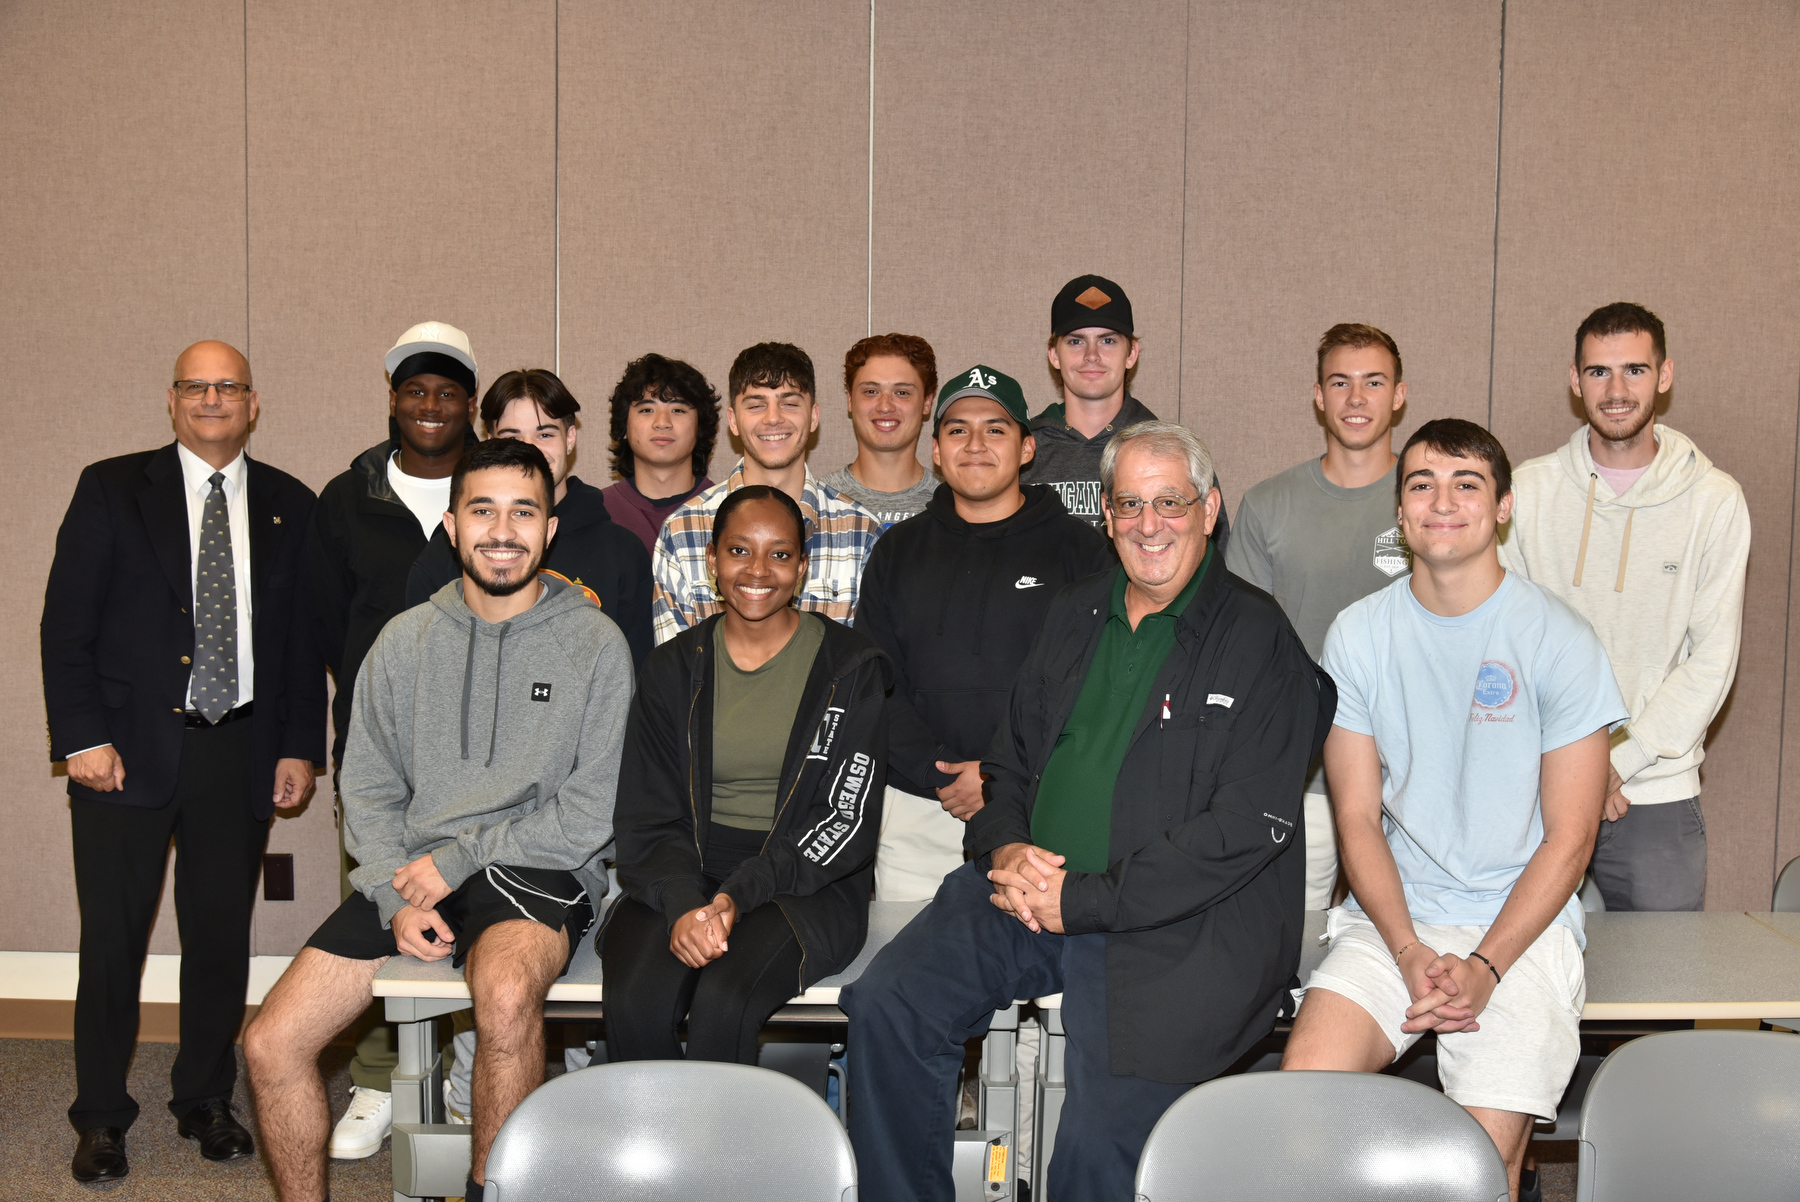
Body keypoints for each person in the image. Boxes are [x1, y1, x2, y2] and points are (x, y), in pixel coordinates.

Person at [844, 421, 1332, 1201]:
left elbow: (1245, 829)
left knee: (1100, 1137)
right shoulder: (1073, 615)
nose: (1149, 525)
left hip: (1173, 922)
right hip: (1028, 888)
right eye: (1129, 504)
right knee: (889, 1004)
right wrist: (1003, 851)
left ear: (1209, 509)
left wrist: (1085, 900)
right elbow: (1008, 764)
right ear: (1105, 516)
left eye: (1169, 503)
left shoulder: (1258, 639)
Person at [245, 438, 631, 1202]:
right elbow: (371, 789)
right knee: (269, 1043)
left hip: (539, 866)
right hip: (412, 869)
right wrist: (394, 897)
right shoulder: (404, 640)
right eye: (481, 510)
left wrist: (455, 864)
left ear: (549, 530)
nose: (501, 529)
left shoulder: (597, 644)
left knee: (507, 996)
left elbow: (590, 812)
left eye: (524, 512)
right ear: (451, 526)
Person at [1283, 418, 1628, 1202]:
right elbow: (1359, 819)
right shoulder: (1360, 634)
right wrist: (1407, 951)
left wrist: (1485, 965)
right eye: (1422, 484)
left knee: (1471, 1167)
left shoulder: (1559, 640)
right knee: (1301, 1107)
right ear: (1400, 514)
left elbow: (1571, 839)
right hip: (1395, 921)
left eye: (1467, 483)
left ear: (1503, 507)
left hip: (1520, 929)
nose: (1443, 501)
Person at [42, 341, 325, 1183]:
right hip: (120, 757)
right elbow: (66, 627)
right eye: (195, 387)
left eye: (227, 387)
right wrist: (81, 738)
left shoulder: (289, 503)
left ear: (253, 402)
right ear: (172, 401)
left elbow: (301, 643)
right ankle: (99, 1117)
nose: (211, 399)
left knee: (217, 939)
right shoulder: (110, 487)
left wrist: (299, 745)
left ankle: (204, 1097)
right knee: (113, 942)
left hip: (235, 750)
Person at [602, 485, 889, 1063]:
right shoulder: (671, 669)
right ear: (712, 561)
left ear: (803, 566)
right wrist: (685, 901)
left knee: (723, 1001)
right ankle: (654, 1151)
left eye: (780, 554)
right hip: (681, 865)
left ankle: (726, 1156)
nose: (758, 570)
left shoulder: (851, 667)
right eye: (739, 551)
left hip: (805, 877)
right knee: (638, 1001)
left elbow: (844, 819)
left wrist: (740, 893)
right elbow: (647, 812)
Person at [1500, 303, 1749, 913]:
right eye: (1598, 372)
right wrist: (1575, 766)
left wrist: (1618, 759)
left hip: (1657, 794)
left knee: (1659, 996)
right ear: (1574, 379)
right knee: (1528, 992)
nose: (1615, 391)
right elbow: (1506, 641)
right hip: (1537, 791)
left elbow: (1711, 660)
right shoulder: (1527, 492)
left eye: (1634, 370)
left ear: (1664, 376)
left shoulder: (1714, 502)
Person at [303, 321, 481, 1156]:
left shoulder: (491, 486)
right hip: (377, 741)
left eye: (447, 391)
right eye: (416, 390)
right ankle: (377, 1080)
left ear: (469, 403)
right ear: (393, 400)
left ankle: (465, 1065)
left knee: (478, 894)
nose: (431, 406)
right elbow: (321, 627)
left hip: (483, 743)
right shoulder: (348, 498)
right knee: (379, 899)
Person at [854, 364, 1111, 901]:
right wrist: (940, 773)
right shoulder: (897, 552)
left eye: (996, 429)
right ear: (938, 451)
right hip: (919, 809)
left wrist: (999, 776)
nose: (975, 444)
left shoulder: (1083, 553)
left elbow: (1094, 686)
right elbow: (876, 681)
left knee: (1039, 976)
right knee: (913, 977)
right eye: (957, 430)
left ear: (1026, 449)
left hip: (1043, 807)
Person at [1227, 323, 1412, 910]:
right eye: (1341, 382)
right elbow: (1241, 648)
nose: (1356, 399)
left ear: (1399, 395)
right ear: (1318, 395)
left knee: (1419, 932)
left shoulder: (1436, 499)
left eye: (1373, 382)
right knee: (1298, 928)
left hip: (1415, 760)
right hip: (1301, 762)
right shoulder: (1269, 504)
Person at [406, 367, 654, 666]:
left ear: (570, 437)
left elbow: (635, 676)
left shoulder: (621, 551)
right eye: (512, 436)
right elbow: (419, 664)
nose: (530, 449)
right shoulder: (451, 547)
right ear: (489, 439)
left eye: (545, 433)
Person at [652, 341, 882, 642]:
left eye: (789, 402)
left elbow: (867, 668)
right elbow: (674, 673)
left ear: (813, 416)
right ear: (733, 421)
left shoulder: (861, 532)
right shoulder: (682, 532)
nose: (773, 418)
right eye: (756, 404)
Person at [1026, 273, 1230, 553]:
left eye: (1108, 341)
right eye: (1076, 341)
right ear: (1053, 354)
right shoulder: (1022, 451)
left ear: (1132, 352)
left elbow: (1212, 563)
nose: (1092, 355)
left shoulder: (1175, 452)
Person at [599, 353, 720, 552]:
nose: (662, 423)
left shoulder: (729, 510)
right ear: (624, 427)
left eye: (678, 410)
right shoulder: (598, 512)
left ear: (699, 427)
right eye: (647, 410)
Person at [821, 333, 941, 528]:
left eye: (902, 393)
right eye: (871, 392)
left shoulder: (953, 504)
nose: (885, 407)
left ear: (927, 402)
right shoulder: (816, 502)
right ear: (850, 400)